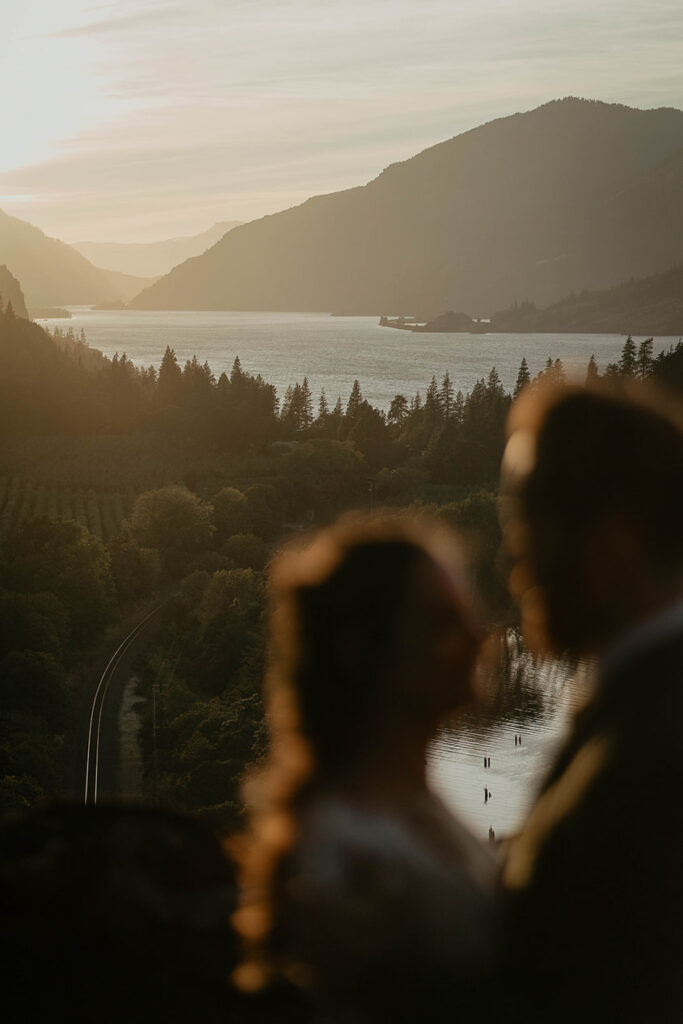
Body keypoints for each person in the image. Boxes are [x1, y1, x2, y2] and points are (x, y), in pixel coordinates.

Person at [234, 514, 497, 1022]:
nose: (477, 635)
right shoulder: (351, 859)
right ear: (363, 652)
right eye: (441, 621)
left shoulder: (413, 806)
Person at [499, 381, 683, 1022]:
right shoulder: (638, 704)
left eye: (526, 530)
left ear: (609, 545)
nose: (516, 567)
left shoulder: (645, 761)